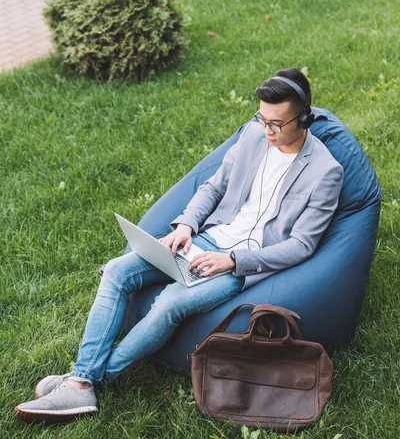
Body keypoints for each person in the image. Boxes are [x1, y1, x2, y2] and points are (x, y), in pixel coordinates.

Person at [15, 68, 343, 423]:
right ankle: (81, 382)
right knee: (117, 269)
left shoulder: (325, 172)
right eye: (262, 119)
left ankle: (85, 381)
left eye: (276, 124)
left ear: (304, 117)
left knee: (170, 303)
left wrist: (232, 261)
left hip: (243, 264)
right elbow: (214, 188)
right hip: (206, 239)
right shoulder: (252, 136)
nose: (267, 131)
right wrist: (186, 225)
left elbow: (301, 245)